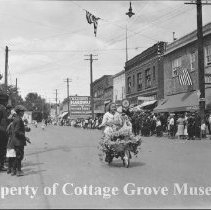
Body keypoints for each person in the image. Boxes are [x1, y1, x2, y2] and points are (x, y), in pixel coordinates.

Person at [10, 105, 30, 176]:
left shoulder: (16, 118)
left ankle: (13, 170)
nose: (23, 112)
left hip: (16, 141)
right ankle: (18, 171)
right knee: (19, 156)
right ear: (19, 112)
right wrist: (25, 137)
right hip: (19, 141)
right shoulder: (18, 120)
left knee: (17, 156)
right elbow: (17, 131)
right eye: (22, 111)